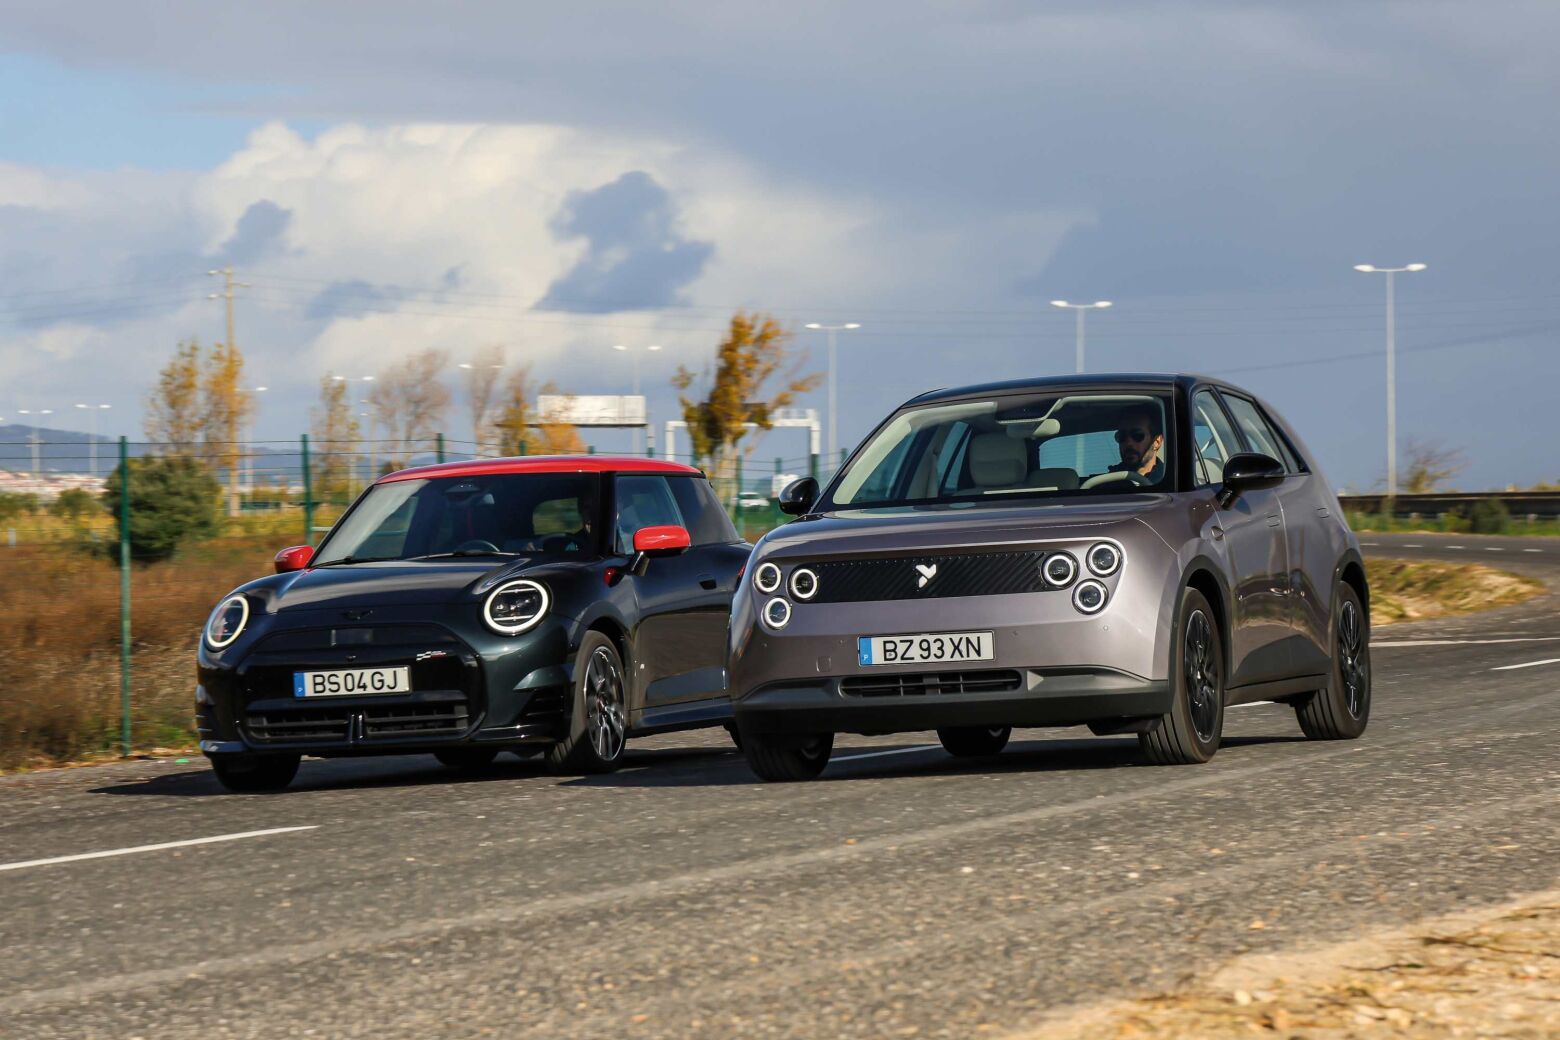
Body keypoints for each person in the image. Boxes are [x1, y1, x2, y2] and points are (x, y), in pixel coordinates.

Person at [1109, 404, 1167, 485]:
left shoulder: (1170, 482)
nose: (1128, 443)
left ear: (1157, 441)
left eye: (1137, 435)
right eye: (1122, 436)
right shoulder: (1107, 484)